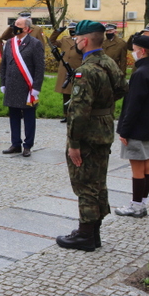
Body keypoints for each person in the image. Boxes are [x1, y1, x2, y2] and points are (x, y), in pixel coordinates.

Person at [56, 20, 127, 251]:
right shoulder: (107, 62)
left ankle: (85, 235)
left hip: (87, 134)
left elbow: (78, 112)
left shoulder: (85, 71)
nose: (75, 42)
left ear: (84, 40)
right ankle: (93, 231)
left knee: (85, 183)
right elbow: (121, 89)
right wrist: (103, 106)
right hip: (104, 129)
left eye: (77, 39)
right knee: (98, 181)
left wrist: (73, 144)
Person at [115, 35, 149, 218]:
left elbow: (133, 105)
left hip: (136, 128)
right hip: (148, 125)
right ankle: (143, 202)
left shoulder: (140, 73)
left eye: (134, 49)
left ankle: (136, 206)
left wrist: (124, 130)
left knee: (137, 168)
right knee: (146, 165)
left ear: (141, 51)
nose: (132, 53)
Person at [0, 16, 45, 157]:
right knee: (13, 116)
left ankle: (28, 145)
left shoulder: (35, 43)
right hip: (12, 85)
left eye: (18, 25)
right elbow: (4, 64)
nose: (15, 26)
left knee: (29, 118)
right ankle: (15, 144)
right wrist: (3, 82)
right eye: (14, 24)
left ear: (26, 28)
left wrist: (36, 87)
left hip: (27, 87)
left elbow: (39, 67)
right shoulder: (10, 43)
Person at [50, 21, 82, 123]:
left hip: (77, 68)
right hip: (65, 70)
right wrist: (57, 32)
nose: (72, 31)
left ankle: (77, 115)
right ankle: (66, 115)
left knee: (78, 93)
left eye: (73, 29)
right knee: (66, 93)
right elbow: (51, 41)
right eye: (70, 29)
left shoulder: (81, 40)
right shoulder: (64, 39)